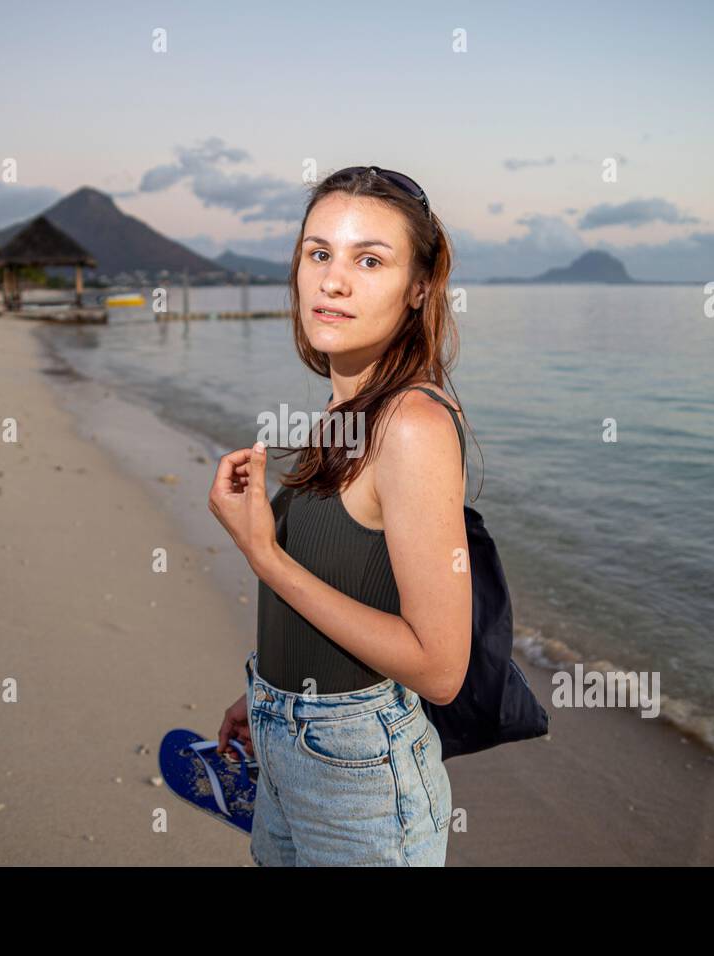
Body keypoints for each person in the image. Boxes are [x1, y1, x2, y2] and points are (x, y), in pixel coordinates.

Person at [209, 166, 472, 865]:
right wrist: (271, 692)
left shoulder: (411, 423)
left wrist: (263, 554)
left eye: (370, 260)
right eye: (319, 253)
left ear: (419, 287)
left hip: (361, 776)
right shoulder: (340, 412)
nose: (332, 280)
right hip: (290, 738)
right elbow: (348, 581)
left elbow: (440, 667)